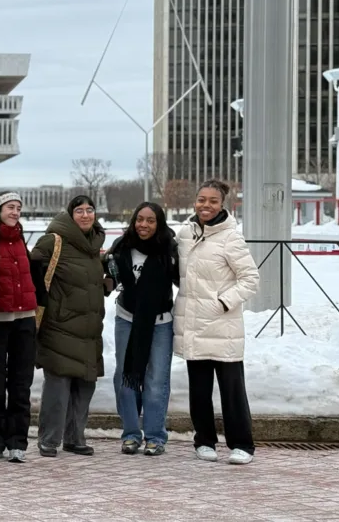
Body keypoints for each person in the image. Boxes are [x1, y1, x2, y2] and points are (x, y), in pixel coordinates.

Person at [175, 179, 259, 465]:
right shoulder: (186, 234)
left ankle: (242, 445)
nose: (205, 205)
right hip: (193, 325)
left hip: (223, 326)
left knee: (232, 390)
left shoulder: (230, 237)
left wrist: (222, 302)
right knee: (198, 390)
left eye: (212, 201)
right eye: (201, 199)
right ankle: (204, 440)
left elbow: (250, 279)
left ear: (223, 204)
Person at [31, 195, 106, 458]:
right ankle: (49, 439)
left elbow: (93, 282)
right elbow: (30, 267)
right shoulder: (54, 241)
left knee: (85, 385)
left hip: (89, 329)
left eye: (90, 210)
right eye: (79, 211)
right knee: (58, 386)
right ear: (70, 215)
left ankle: (75, 438)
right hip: (59, 326)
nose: (86, 215)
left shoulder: (94, 244)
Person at [104, 202, 179, 457]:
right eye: (139, 219)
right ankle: (131, 434)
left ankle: (155, 436)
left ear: (159, 224)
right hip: (127, 319)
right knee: (126, 376)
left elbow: (186, 280)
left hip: (160, 322)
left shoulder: (169, 249)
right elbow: (109, 279)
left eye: (150, 220)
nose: (143, 225)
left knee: (156, 379)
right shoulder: (122, 246)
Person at [0, 191, 40, 463]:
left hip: (25, 319)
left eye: (18, 207)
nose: (15, 211)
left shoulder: (21, 240)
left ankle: (18, 441)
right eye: (10, 207)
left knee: (20, 383)